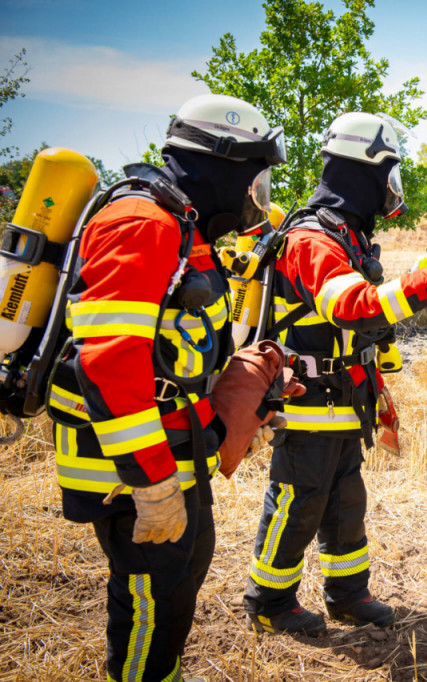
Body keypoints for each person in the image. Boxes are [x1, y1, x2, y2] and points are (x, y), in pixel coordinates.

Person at [50, 93, 286, 682]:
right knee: (150, 598)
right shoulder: (142, 223)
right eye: (253, 176)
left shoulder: (183, 226)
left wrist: (234, 414)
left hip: (172, 449)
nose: (255, 194)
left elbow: (183, 353)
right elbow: (109, 362)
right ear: (219, 163)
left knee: (181, 574)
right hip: (129, 466)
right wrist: (151, 479)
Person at [243, 112, 427, 636]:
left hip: (344, 399)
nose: (391, 188)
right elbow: (352, 307)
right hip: (307, 401)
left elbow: (367, 321)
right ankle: (269, 602)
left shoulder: (346, 236)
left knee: (345, 504)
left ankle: (347, 595)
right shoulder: (311, 239)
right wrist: (425, 282)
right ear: (363, 173)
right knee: (297, 504)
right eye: (388, 174)